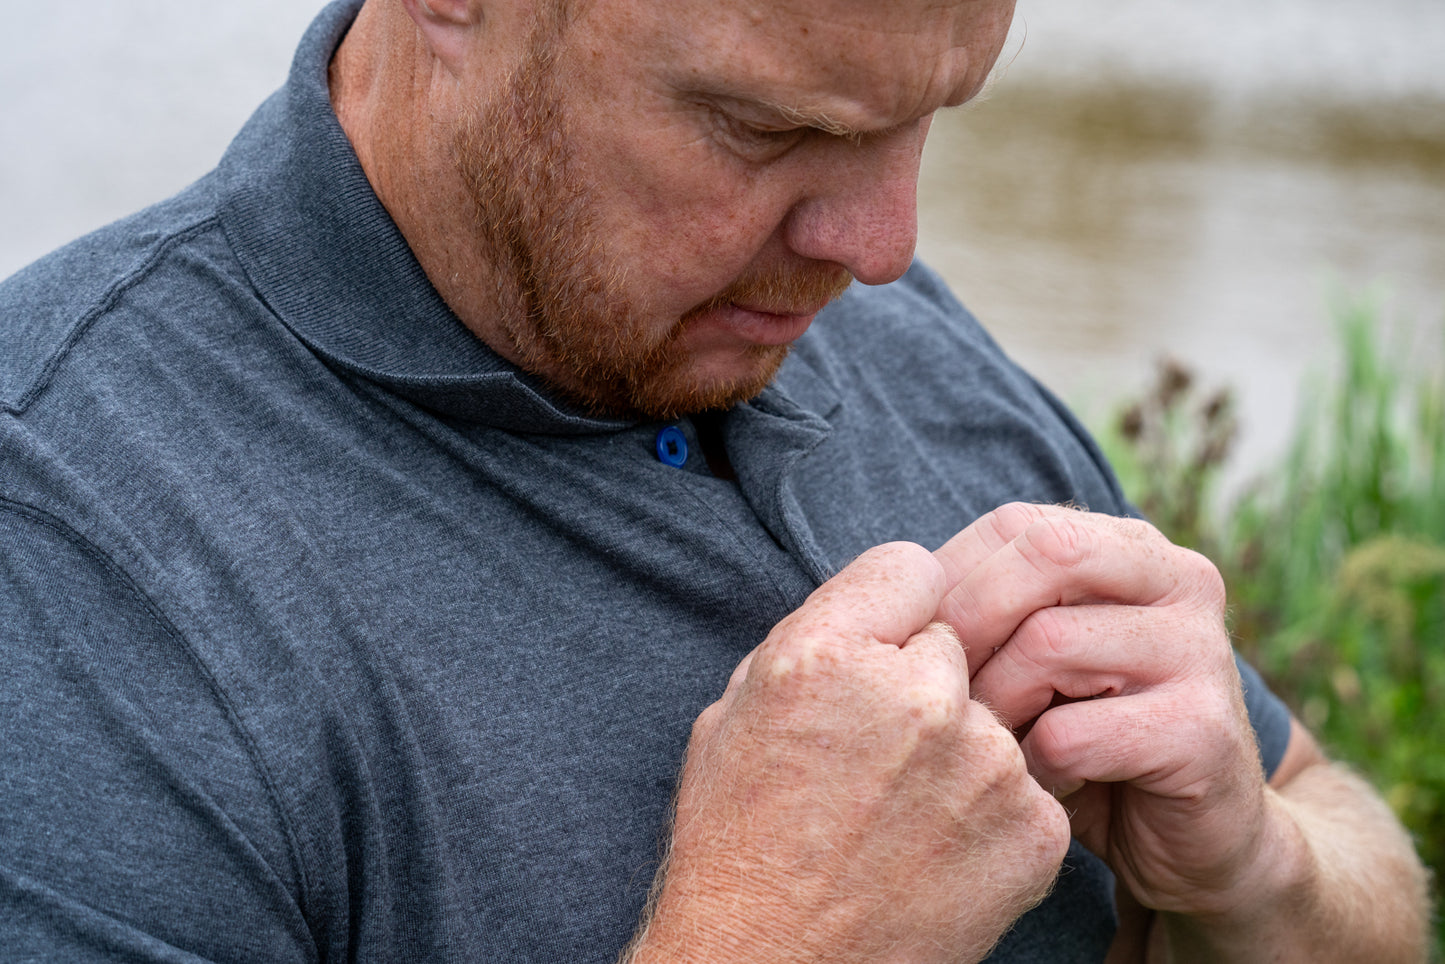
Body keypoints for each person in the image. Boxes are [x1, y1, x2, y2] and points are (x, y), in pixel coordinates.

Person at [0, 0, 1429, 959]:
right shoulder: (65, 522)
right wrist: (768, 931)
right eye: (764, 131)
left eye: (930, 116)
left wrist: (1257, 875)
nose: (878, 242)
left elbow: (1343, 842)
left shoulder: (881, 323)